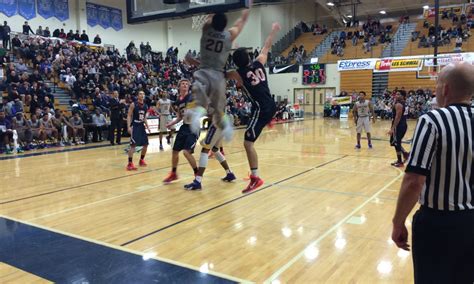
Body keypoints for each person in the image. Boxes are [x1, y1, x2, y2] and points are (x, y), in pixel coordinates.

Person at [391, 63, 474, 284]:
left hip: (438, 225)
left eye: (436, 84)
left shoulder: (433, 120)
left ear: (445, 89)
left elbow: (413, 181)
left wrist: (398, 222)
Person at [226, 22, 280, 193]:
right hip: (271, 105)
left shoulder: (237, 74)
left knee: (248, 142)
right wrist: (273, 30)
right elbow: (266, 46)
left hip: (261, 109)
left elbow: (221, 74)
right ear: (249, 58)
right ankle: (269, 120)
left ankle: (255, 178)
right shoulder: (258, 63)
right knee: (251, 135)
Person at [186, 1, 252, 139]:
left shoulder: (206, 29)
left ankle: (198, 112)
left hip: (203, 71)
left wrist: (215, 4)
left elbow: (210, 14)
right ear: (225, 24)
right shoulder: (229, 35)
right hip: (218, 76)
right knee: (218, 110)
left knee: (199, 102)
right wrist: (248, 5)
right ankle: (226, 127)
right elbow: (242, 20)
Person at [163, 79, 199, 183]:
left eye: (187, 84)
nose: (185, 85)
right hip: (184, 127)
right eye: (183, 83)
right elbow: (179, 117)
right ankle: (173, 173)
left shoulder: (192, 97)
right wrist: (170, 124)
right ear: (179, 86)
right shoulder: (178, 102)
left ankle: (197, 174)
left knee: (186, 152)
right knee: (175, 151)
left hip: (193, 127)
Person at [126, 91, 151, 171]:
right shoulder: (133, 104)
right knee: (133, 145)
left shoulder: (146, 106)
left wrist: (147, 126)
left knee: (146, 144)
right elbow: (129, 115)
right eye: (140, 94)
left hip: (141, 126)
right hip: (135, 125)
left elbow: (144, 118)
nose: (142, 95)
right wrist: (129, 127)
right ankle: (130, 164)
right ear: (137, 96)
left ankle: (141, 160)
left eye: (143, 94)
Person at [389, 91, 409, 167]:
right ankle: (405, 154)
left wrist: (392, 128)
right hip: (403, 125)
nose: (396, 95)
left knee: (396, 143)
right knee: (394, 142)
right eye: (396, 94)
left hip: (399, 126)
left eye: (398, 94)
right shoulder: (404, 103)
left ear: (403, 96)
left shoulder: (398, 104)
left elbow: (398, 117)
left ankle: (400, 161)